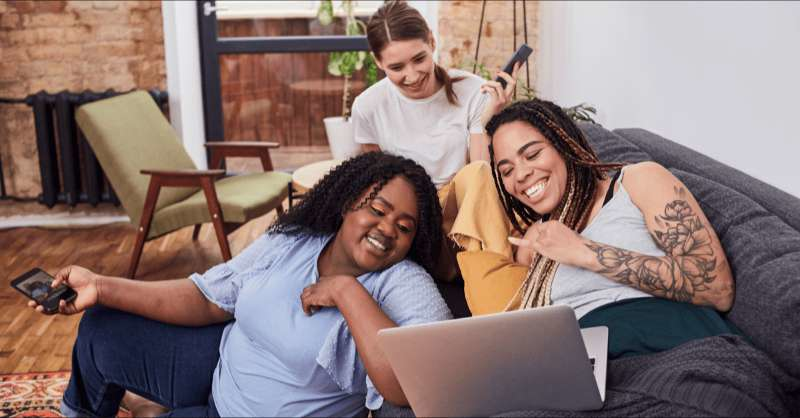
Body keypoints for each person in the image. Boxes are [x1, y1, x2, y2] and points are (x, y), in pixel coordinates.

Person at [30, 152, 452, 417]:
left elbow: (415, 387)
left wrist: (345, 290)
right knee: (102, 325)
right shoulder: (295, 240)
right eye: (377, 210)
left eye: (405, 227)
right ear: (348, 204)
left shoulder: (403, 283)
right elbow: (210, 296)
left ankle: (154, 410)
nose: (387, 230)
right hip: (213, 376)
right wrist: (101, 286)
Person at [468, 98, 738, 358]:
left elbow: (718, 289)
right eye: (506, 171)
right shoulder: (535, 243)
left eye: (532, 154)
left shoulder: (636, 182)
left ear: (565, 144)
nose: (521, 174)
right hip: (587, 370)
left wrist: (585, 252)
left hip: (672, 345)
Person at [352, 0, 520, 279]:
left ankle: (492, 277)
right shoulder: (368, 106)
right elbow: (375, 183)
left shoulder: (474, 91)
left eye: (419, 59)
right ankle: (492, 276)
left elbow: (481, 178)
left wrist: (481, 124)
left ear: (432, 41)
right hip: (413, 212)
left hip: (464, 210)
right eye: (396, 67)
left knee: (478, 174)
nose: (412, 75)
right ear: (378, 62)